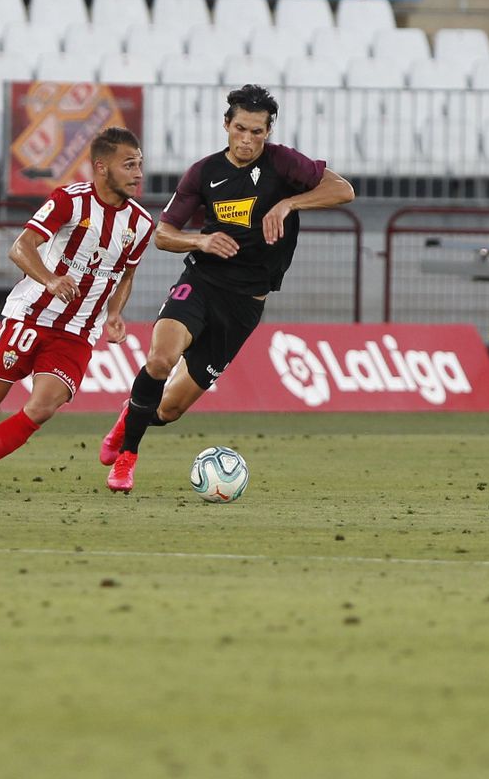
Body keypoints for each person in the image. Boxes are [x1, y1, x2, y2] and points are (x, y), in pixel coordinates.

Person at [97, 84, 355, 492]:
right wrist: (200, 240)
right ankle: (126, 459)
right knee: (161, 360)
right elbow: (163, 235)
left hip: (244, 306)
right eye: (240, 129)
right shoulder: (204, 173)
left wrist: (289, 203)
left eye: (256, 131)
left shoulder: (284, 164)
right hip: (200, 283)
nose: (247, 139)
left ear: (268, 131)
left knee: (170, 408)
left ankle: (130, 415)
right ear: (226, 125)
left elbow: (344, 190)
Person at [0, 127, 154, 501]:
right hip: (31, 316)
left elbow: (127, 273)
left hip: (78, 332)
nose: (138, 174)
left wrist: (115, 313)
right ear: (102, 168)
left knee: (40, 409)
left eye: (140, 165)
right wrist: (51, 280)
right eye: (129, 165)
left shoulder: (140, 223)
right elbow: (21, 248)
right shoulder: (68, 201)